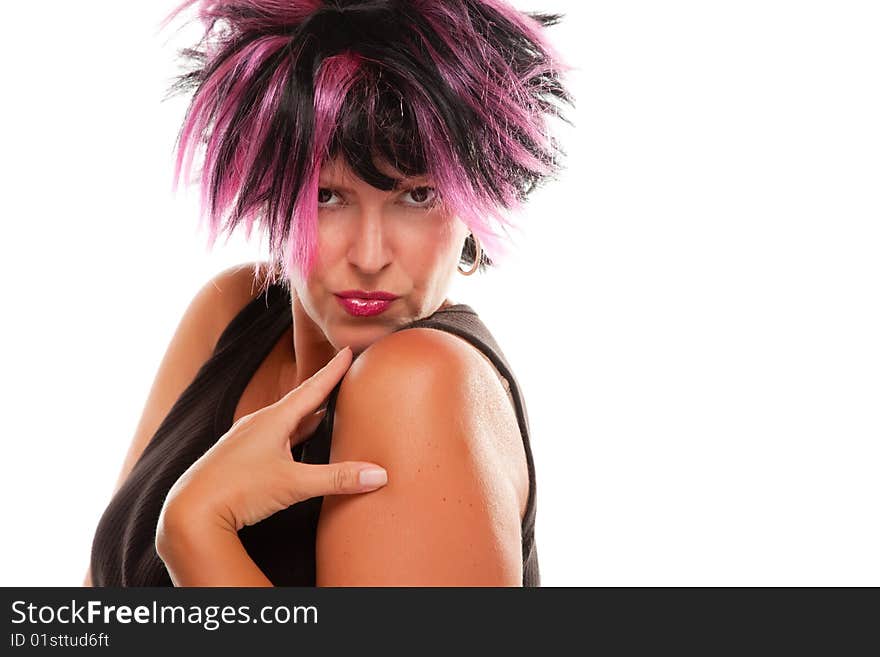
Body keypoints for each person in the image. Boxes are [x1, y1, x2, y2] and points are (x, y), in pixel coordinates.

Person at [86, 0, 574, 586]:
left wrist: (197, 535)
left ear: (476, 199)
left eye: (417, 196)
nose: (370, 257)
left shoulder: (420, 380)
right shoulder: (232, 310)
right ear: (268, 188)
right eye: (326, 196)